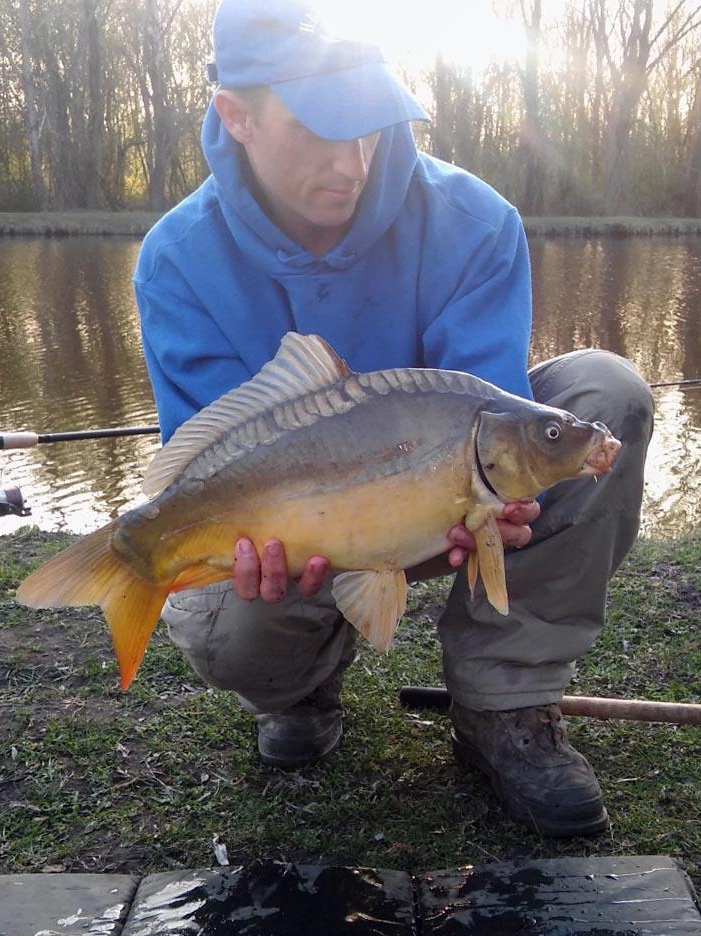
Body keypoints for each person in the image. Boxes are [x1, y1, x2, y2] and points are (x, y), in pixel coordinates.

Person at [134, 0, 653, 837]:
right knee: (230, 612)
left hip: (438, 490)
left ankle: (503, 701)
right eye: (319, 129)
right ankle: (299, 688)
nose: (351, 162)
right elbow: (203, 458)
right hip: (297, 524)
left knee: (603, 391)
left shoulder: (475, 221)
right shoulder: (176, 259)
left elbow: (488, 412)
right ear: (238, 117)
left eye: (368, 125)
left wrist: (490, 505)